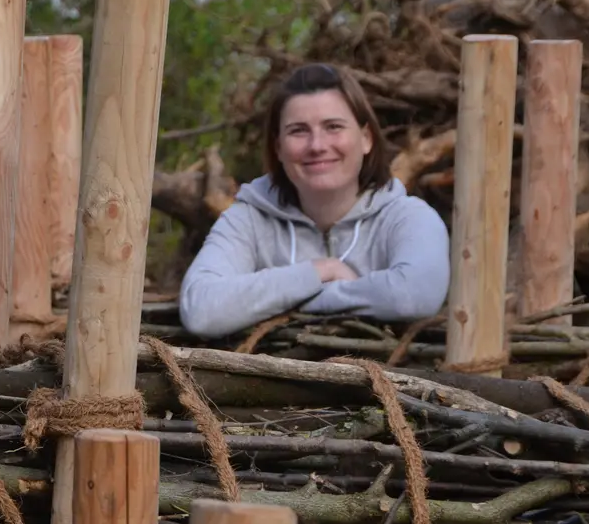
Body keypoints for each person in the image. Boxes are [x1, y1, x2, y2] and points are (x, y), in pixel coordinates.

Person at [178, 63, 450, 338]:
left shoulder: (409, 218)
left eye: (333, 127)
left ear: (366, 139)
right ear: (278, 148)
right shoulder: (247, 219)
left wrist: (310, 298)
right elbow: (201, 309)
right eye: (298, 131)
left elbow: (416, 295)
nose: (317, 145)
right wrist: (320, 271)